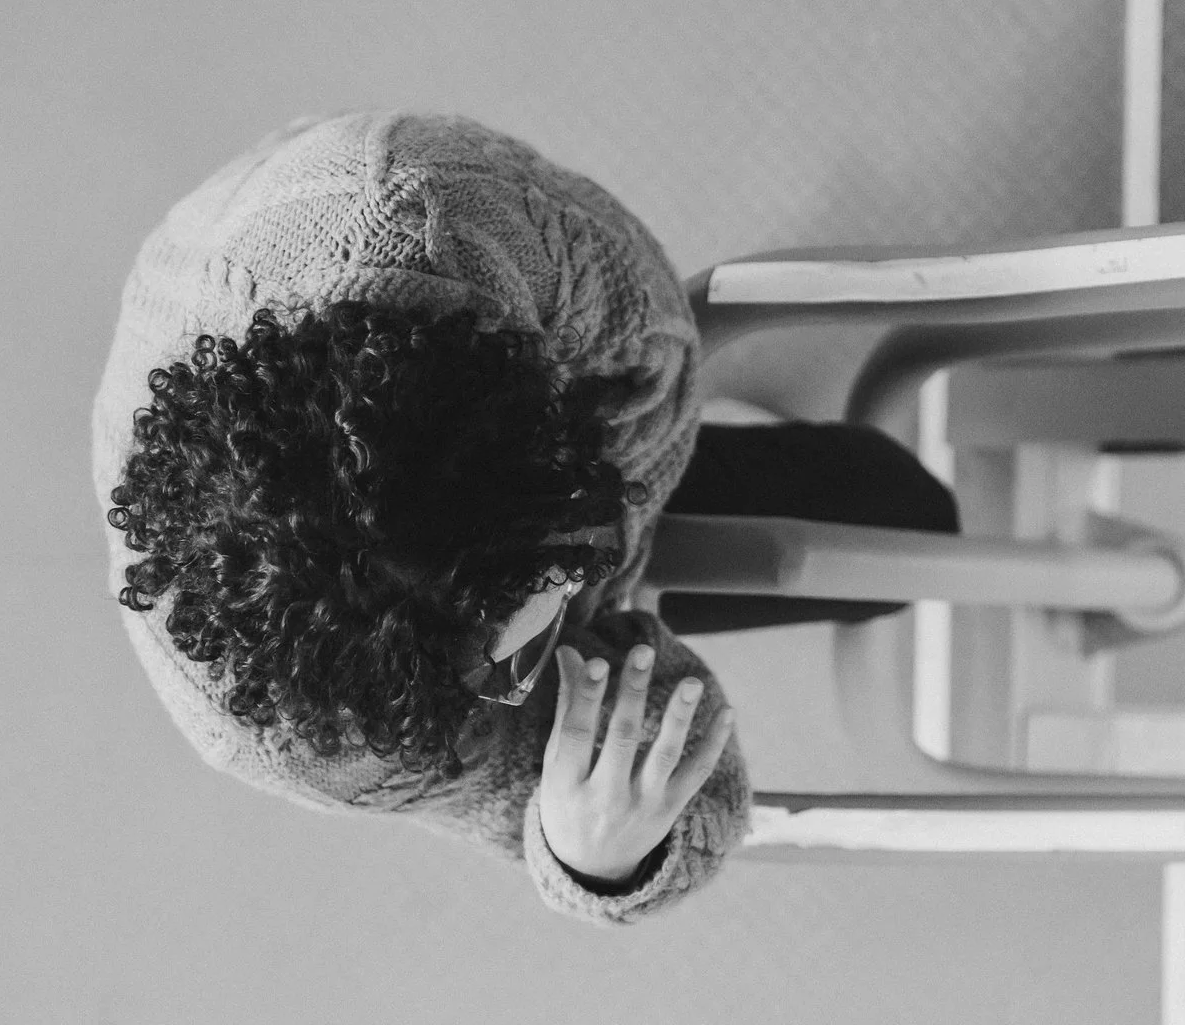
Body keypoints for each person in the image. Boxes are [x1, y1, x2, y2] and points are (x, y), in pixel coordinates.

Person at [91, 112, 955, 922]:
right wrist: (591, 858)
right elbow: (521, 799)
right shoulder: (304, 740)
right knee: (892, 542)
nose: (581, 614)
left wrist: (607, 543)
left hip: (454, 323)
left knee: (903, 510)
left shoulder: (433, 215)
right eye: (510, 660)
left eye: (563, 579)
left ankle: (630, 495)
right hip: (435, 560)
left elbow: (655, 347)